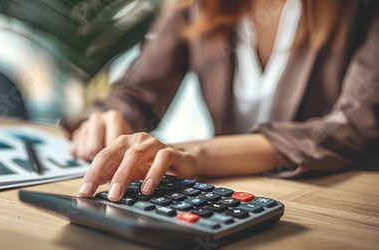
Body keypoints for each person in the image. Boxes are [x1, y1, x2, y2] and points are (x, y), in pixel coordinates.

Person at [66, 0, 379, 202]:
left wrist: (193, 154)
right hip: (226, 196)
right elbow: (138, 91)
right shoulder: (194, 5)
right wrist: (111, 115)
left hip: (329, 202)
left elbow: (354, 127)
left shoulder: (362, 9)